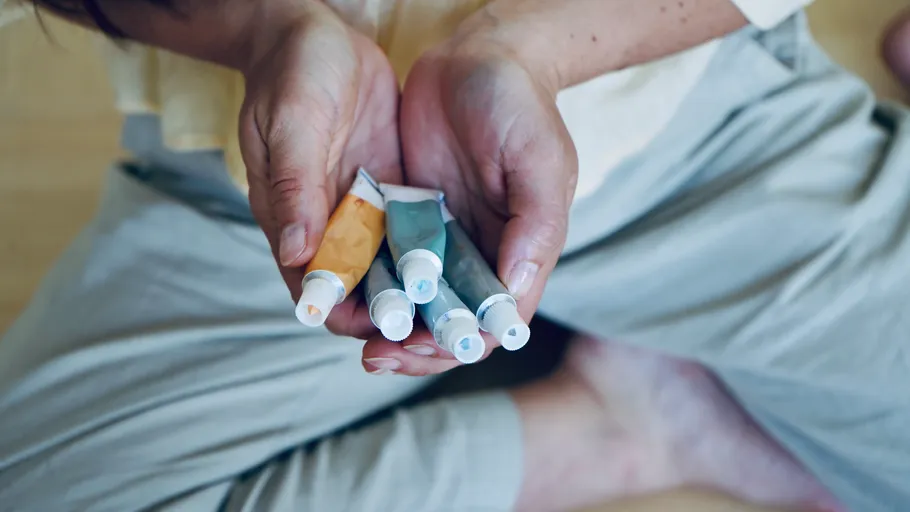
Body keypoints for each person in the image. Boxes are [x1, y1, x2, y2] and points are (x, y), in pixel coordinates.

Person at [0, 0, 908, 511]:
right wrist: (264, 30)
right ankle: (631, 425)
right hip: (270, 155)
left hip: (683, 123)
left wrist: (533, 52)